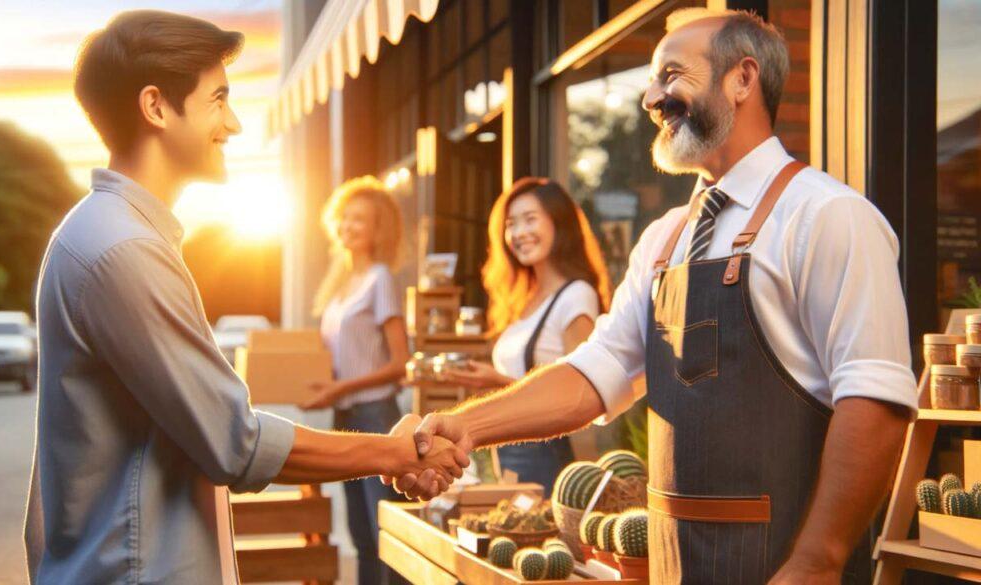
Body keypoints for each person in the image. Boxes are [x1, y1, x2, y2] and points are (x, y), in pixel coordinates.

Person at [390, 8, 917, 585]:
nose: (650, 97)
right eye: (651, 79)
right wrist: (467, 426)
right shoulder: (665, 237)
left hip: (781, 567)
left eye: (670, 74)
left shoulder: (827, 215)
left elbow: (876, 399)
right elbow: (599, 368)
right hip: (667, 563)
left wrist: (819, 560)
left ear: (742, 80)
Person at [24, 12, 467, 584]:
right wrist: (398, 452)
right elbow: (235, 442)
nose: (232, 124)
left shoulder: (112, 234)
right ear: (156, 107)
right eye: (218, 100)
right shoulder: (122, 248)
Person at [441, 177, 610, 495]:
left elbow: (580, 393)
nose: (519, 233)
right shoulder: (524, 299)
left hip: (548, 458)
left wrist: (498, 382)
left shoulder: (576, 296)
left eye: (530, 219)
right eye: (511, 224)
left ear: (558, 223)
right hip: (510, 452)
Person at [303, 176, 410, 585]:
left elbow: (400, 362)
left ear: (377, 229)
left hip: (375, 415)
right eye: (345, 217)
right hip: (344, 414)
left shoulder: (380, 278)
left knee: (386, 532)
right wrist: (317, 384)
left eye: (360, 220)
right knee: (360, 534)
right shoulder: (339, 284)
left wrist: (340, 388)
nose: (349, 226)